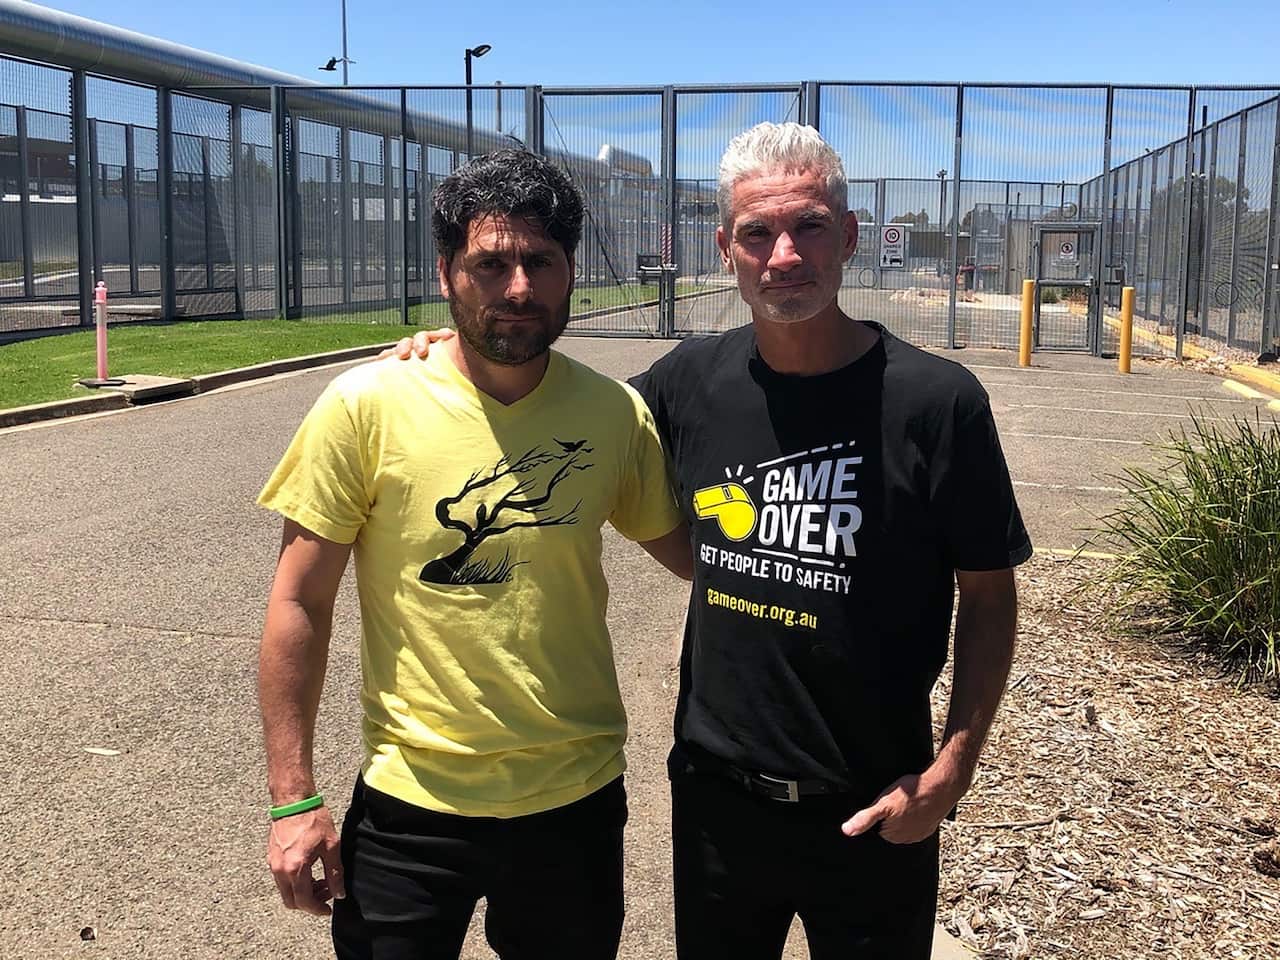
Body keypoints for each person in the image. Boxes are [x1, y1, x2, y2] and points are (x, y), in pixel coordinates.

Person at [391, 122, 1031, 959]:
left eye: (807, 227)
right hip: (718, 802)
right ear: (727, 247)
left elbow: (988, 598)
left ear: (848, 235)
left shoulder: (937, 402)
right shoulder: (688, 381)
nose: (785, 256)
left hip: (875, 802)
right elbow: (562, 408)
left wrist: (953, 769)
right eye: (758, 233)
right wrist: (459, 348)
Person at [256, 148, 691, 960]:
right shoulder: (366, 405)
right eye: (491, 263)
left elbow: (701, 560)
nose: (518, 287)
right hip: (409, 808)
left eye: (540, 261)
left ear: (570, 272)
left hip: (574, 802)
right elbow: (298, 603)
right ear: (447, 272)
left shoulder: (613, 415)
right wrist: (292, 800)